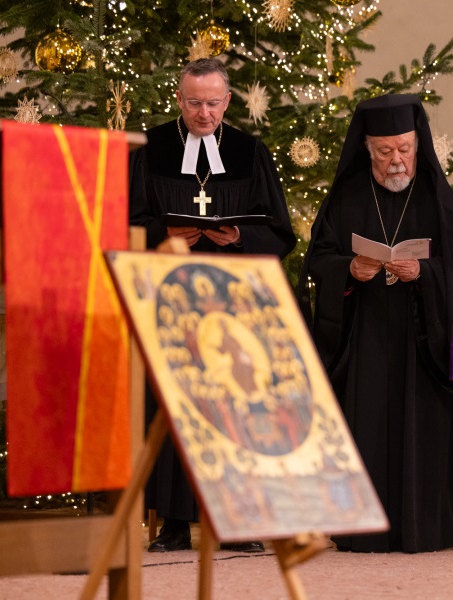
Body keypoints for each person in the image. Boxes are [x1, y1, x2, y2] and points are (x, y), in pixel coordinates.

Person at [298, 94, 453, 553]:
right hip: (366, 335)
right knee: (367, 425)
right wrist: (348, 269)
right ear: (367, 149)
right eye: (385, 151)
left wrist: (425, 273)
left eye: (404, 148)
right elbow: (318, 257)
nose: (396, 160)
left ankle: (429, 527)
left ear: (418, 145)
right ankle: (361, 529)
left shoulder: (435, 195)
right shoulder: (347, 197)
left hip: (422, 338)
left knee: (423, 428)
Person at [129, 57, 296, 553]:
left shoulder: (249, 152)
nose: (204, 114)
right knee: (175, 406)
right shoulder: (150, 149)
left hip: (232, 300)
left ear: (228, 101)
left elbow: (281, 231)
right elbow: (124, 221)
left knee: (234, 406)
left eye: (213, 103)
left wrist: (240, 235)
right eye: (194, 103)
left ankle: (237, 521)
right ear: (179, 100)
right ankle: (175, 524)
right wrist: (163, 233)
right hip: (171, 296)